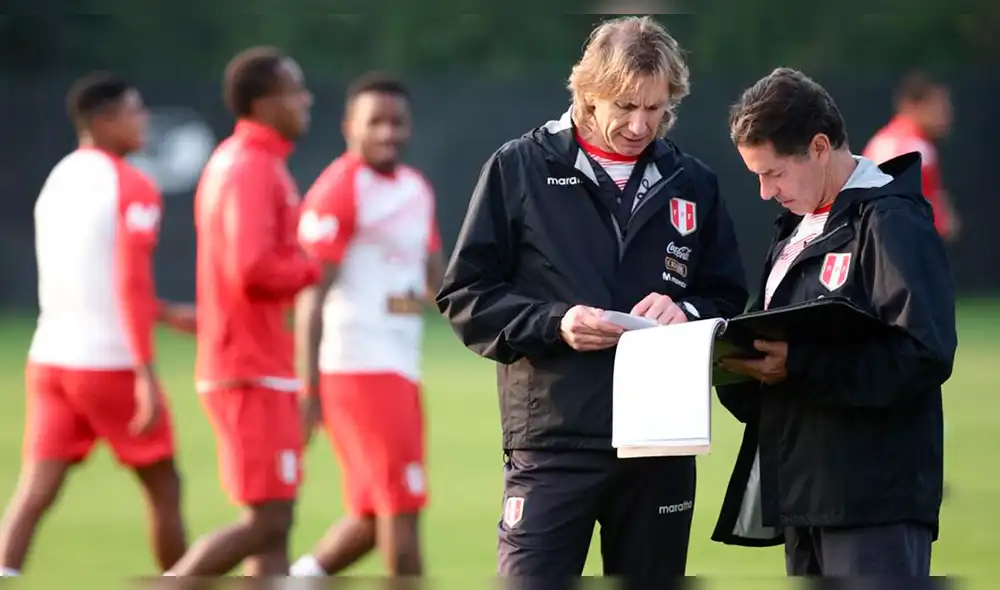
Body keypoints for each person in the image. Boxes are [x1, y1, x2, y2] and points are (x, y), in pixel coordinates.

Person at [435, 16, 748, 578]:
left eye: (654, 109)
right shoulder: (520, 167)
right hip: (555, 440)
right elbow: (465, 294)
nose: (639, 124)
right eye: (625, 106)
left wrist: (689, 311)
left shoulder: (693, 181)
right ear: (589, 93)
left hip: (662, 441)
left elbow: (727, 294)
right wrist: (556, 323)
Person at [713, 67, 957, 578]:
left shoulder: (892, 221)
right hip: (806, 501)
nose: (764, 192)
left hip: (873, 505)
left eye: (773, 173)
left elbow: (924, 353)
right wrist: (733, 366)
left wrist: (800, 364)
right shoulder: (794, 232)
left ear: (820, 146)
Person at [0, 72, 194, 577]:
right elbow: (126, 280)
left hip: (51, 359)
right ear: (104, 121)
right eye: (134, 111)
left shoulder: (59, 178)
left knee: (35, 492)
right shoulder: (132, 184)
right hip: (107, 364)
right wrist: (146, 374)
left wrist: (166, 312)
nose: (143, 119)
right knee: (165, 488)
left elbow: (87, 278)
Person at [163, 47, 320, 577]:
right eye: (295, 90)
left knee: (274, 526)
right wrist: (313, 267)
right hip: (248, 368)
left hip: (255, 364)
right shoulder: (252, 167)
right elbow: (251, 268)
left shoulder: (252, 162)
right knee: (267, 523)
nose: (306, 100)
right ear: (264, 101)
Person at [289, 72, 442, 578]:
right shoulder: (340, 187)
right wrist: (307, 384)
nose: (387, 133)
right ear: (348, 126)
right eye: (375, 122)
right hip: (358, 367)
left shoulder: (416, 189)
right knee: (402, 508)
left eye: (397, 122)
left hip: (399, 365)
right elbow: (312, 293)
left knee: (374, 513)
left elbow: (437, 285)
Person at [862, 71, 959, 241]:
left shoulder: (881, 140)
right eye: (940, 107)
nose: (948, 115)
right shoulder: (918, 147)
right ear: (914, 105)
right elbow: (936, 219)